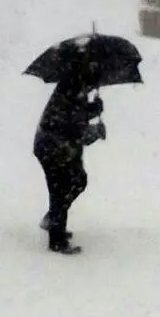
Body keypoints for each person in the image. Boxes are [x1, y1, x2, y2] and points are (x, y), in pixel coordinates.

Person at [32, 65, 106, 255]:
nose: (93, 87)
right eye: (93, 83)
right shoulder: (72, 90)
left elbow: (76, 116)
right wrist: (95, 131)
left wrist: (93, 109)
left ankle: (54, 221)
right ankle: (56, 238)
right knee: (62, 188)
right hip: (53, 148)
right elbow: (75, 129)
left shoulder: (73, 87)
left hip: (58, 147)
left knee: (76, 181)